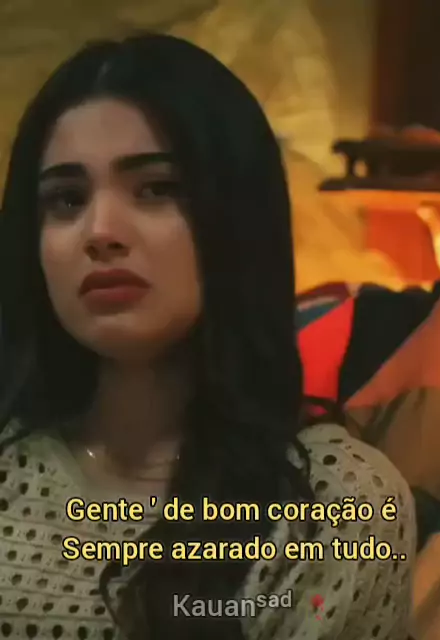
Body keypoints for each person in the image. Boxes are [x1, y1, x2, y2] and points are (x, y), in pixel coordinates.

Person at [0, 33, 415, 640]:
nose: (100, 230)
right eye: (66, 199)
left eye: (156, 189)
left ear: (236, 219)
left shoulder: (334, 506)